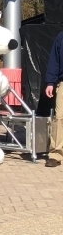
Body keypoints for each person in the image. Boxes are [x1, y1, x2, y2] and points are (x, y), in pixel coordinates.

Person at [44, 31, 63, 167]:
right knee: (59, 117)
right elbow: (54, 61)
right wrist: (50, 82)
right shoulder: (61, 37)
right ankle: (55, 154)